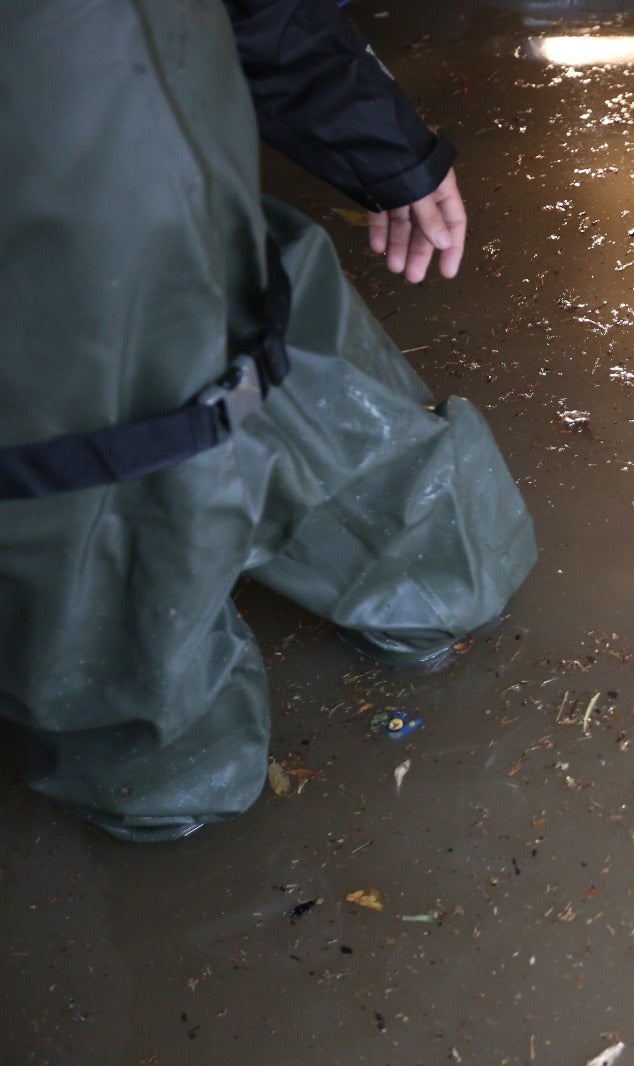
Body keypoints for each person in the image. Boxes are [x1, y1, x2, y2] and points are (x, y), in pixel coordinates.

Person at [0, 0, 537, 842]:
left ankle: (421, 601)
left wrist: (378, 141)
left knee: (442, 561)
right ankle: (170, 781)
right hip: (40, 325)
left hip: (196, 205)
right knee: (121, 626)